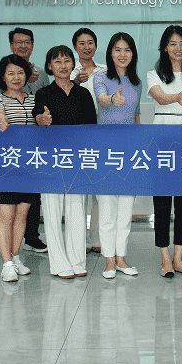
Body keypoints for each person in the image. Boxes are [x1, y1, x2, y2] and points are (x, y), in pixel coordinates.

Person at [34, 45, 98, 279]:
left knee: (77, 209)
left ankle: (77, 261)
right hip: (51, 159)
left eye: (67, 61)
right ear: (49, 66)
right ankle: (59, 264)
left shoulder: (83, 94)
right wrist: (41, 120)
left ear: (74, 65)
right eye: (57, 61)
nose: (63, 66)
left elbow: (91, 129)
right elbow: (37, 118)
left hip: (77, 159)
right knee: (52, 211)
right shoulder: (43, 93)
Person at [147, 25, 182, 277]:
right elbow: (160, 98)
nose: (178, 48)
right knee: (162, 202)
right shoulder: (154, 74)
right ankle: (164, 258)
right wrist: (177, 99)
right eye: (173, 43)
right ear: (164, 47)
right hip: (162, 142)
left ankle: (179, 258)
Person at [93, 32, 141, 279]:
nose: (123, 54)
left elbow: (136, 116)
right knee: (107, 207)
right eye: (118, 50)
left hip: (129, 151)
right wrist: (113, 99)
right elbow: (102, 100)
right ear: (110, 53)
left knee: (125, 208)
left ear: (133, 54)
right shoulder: (100, 78)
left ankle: (121, 258)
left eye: (127, 50)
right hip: (106, 150)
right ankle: (109, 261)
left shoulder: (137, 83)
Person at [0, 54, 37, 283]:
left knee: (22, 214)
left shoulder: (34, 100)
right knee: (6, 215)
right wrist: (1, 119)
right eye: (11, 73)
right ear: (3, 77)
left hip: (30, 166)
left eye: (20, 72)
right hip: (6, 165)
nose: (16, 77)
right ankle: (6, 263)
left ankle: (16, 257)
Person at [7, 27, 49, 254]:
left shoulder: (41, 73)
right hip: (11, 142)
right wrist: (22, 80)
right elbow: (3, 96)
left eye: (27, 42)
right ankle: (10, 239)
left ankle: (31, 236)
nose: (23, 46)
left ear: (32, 46)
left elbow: (46, 101)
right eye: (18, 42)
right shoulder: (2, 69)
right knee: (12, 194)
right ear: (11, 46)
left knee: (34, 192)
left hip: (36, 140)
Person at [70, 27, 104, 256]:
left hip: (102, 131)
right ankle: (80, 237)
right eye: (81, 43)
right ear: (75, 47)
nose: (86, 47)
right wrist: (75, 81)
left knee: (99, 189)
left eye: (90, 42)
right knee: (80, 188)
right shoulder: (68, 70)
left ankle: (97, 236)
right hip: (79, 134)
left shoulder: (105, 70)